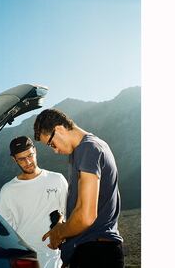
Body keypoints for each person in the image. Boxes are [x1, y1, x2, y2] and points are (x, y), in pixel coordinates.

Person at [33, 109, 124, 268]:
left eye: (51, 144)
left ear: (59, 129)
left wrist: (58, 232)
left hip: (95, 254)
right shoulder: (93, 147)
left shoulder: (87, 149)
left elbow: (86, 216)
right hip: (99, 251)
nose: (54, 150)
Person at [0, 136, 68, 268]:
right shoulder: (7, 190)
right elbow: (5, 231)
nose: (28, 161)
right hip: (25, 260)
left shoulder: (57, 179)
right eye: (22, 159)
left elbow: (69, 214)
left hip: (55, 257)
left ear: (35, 151)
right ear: (14, 159)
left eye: (30, 155)